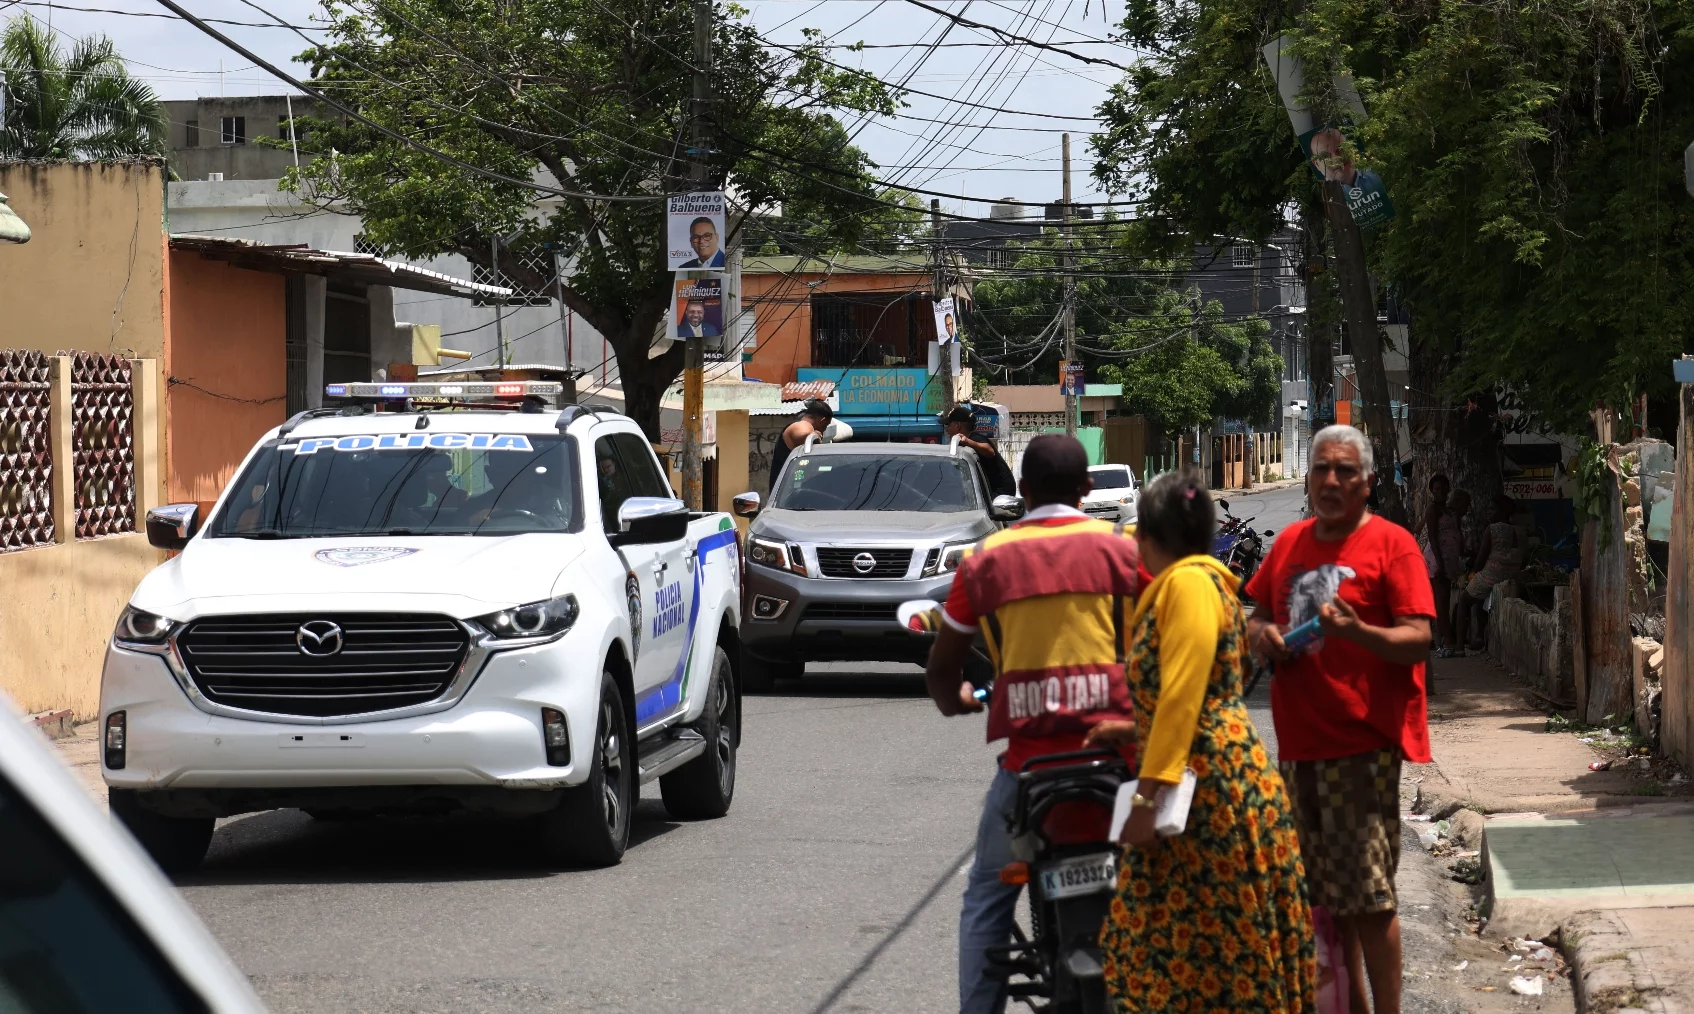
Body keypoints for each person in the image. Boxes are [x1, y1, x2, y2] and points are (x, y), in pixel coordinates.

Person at [923, 434, 1145, 1014]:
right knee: (1164, 885)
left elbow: (943, 670)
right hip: (1120, 768)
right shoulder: (1124, 550)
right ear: (1087, 490)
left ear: (1020, 492)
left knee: (987, 900)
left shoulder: (985, 561)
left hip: (1029, 774)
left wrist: (959, 701)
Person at [1101, 470, 1315, 1012]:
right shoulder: (1199, 581)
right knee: (1194, 957)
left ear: (1148, 536)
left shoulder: (1189, 585)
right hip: (1205, 780)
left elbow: (1183, 695)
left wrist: (1147, 798)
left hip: (1208, 793)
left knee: (1195, 958)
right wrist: (1133, 729)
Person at [1245, 424, 1435, 1014]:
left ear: (1367, 483)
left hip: (1362, 750)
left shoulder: (1391, 545)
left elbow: (1420, 638)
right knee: (1325, 905)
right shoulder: (1290, 544)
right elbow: (1253, 616)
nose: (1331, 481)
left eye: (1345, 471)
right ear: (1308, 478)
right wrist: (1264, 636)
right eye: (1322, 469)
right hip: (1299, 750)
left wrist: (1359, 632)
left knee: (1369, 900)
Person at [1454, 495, 1523, 652]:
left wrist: (1471, 572)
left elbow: (1480, 561)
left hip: (1492, 575)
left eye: (1492, 509)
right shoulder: (1520, 531)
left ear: (1502, 511)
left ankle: (1458, 646)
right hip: (1512, 576)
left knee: (1464, 601)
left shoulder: (1492, 529)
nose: (1488, 513)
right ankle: (1479, 635)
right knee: (1479, 595)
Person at [1415, 474, 1466, 657]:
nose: (1441, 492)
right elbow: (1433, 538)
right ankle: (1448, 642)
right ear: (1432, 491)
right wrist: (1440, 563)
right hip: (1436, 561)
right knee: (1442, 602)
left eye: (1444, 488)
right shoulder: (1432, 510)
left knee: (1443, 602)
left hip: (1448, 561)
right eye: (1437, 489)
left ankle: (1442, 642)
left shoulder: (1449, 511)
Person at [944, 406, 1016, 499]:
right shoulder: (960, 443)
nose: (947, 430)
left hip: (1001, 493)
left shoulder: (976, 439)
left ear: (958, 425)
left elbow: (990, 451)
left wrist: (968, 442)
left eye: (949, 425)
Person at [768, 398, 833, 491]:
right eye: (825, 426)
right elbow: (805, 436)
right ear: (822, 421)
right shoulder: (801, 425)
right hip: (785, 491)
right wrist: (815, 436)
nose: (824, 430)